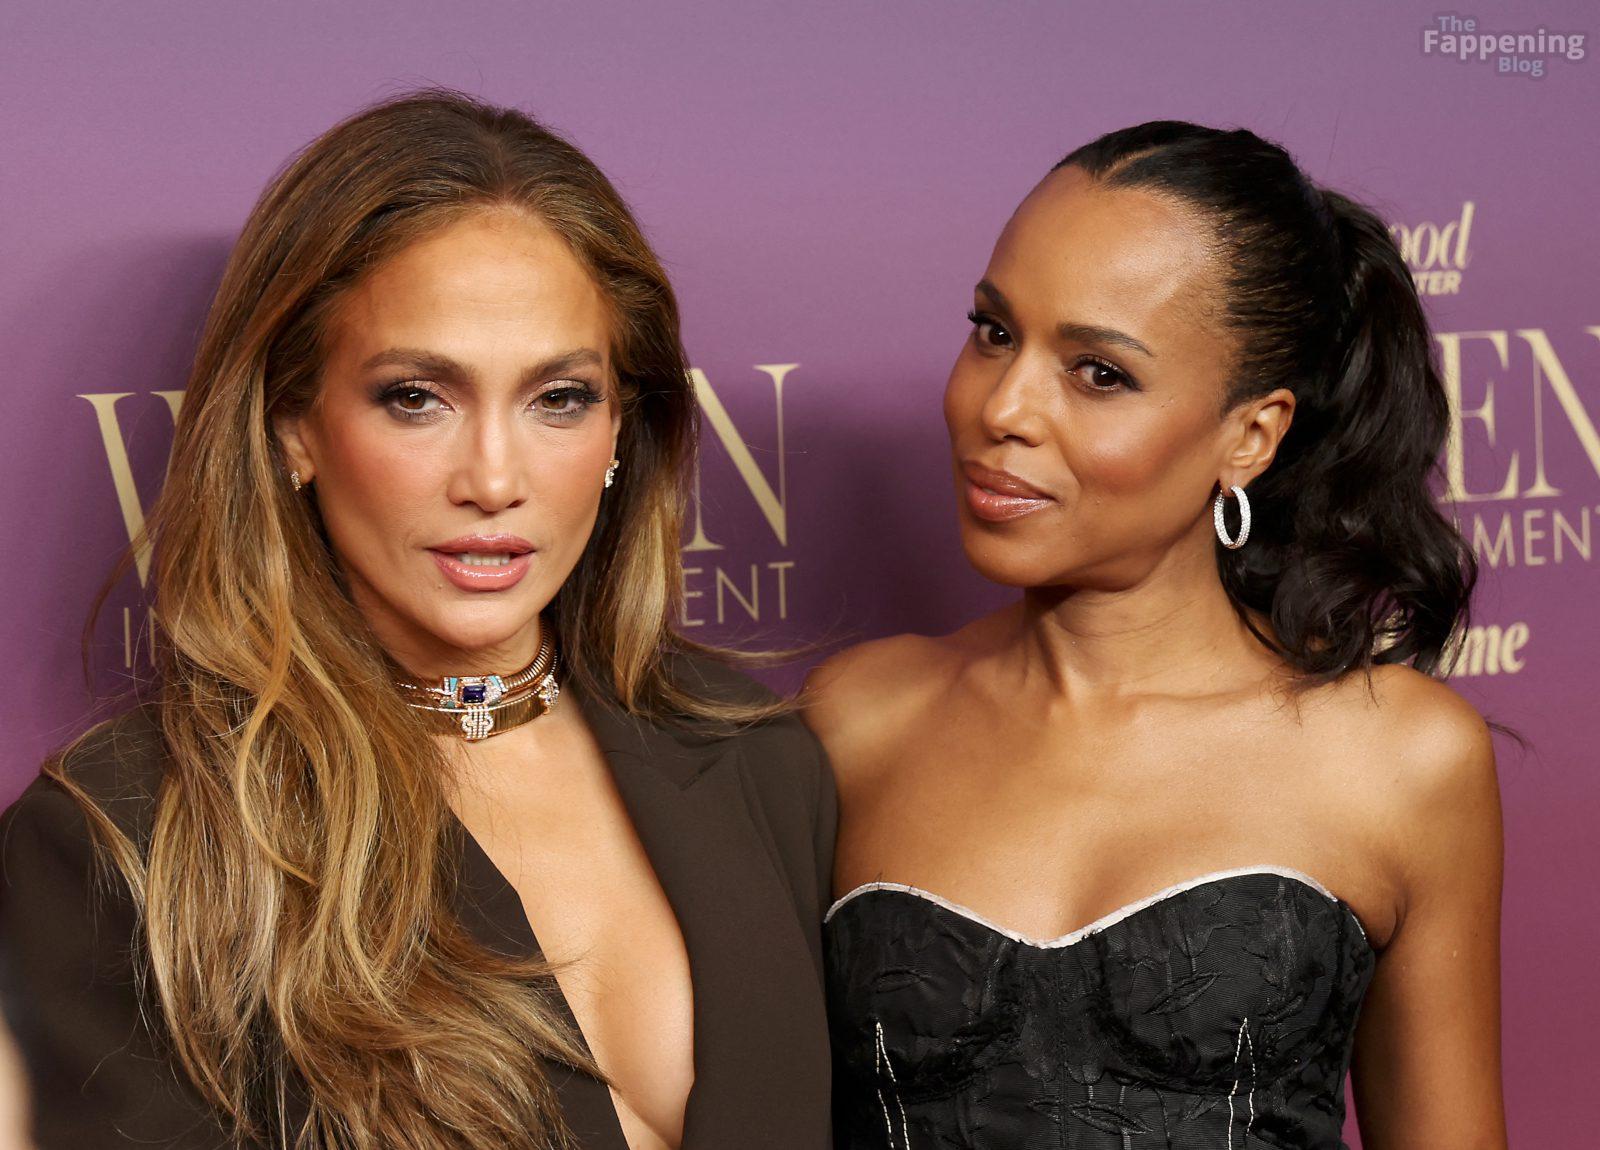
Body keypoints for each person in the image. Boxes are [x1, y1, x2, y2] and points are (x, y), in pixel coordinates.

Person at [0, 89, 835, 1150]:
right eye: (416, 397)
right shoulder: (125, 839)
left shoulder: (760, 761)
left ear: (624, 431)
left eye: (559, 398)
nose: (494, 479)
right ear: (294, 426)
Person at [806, 122, 1506, 1149]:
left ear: (1250, 435)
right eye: (993, 331)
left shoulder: (1400, 757)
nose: (1003, 407)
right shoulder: (853, 720)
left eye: (1098, 373)